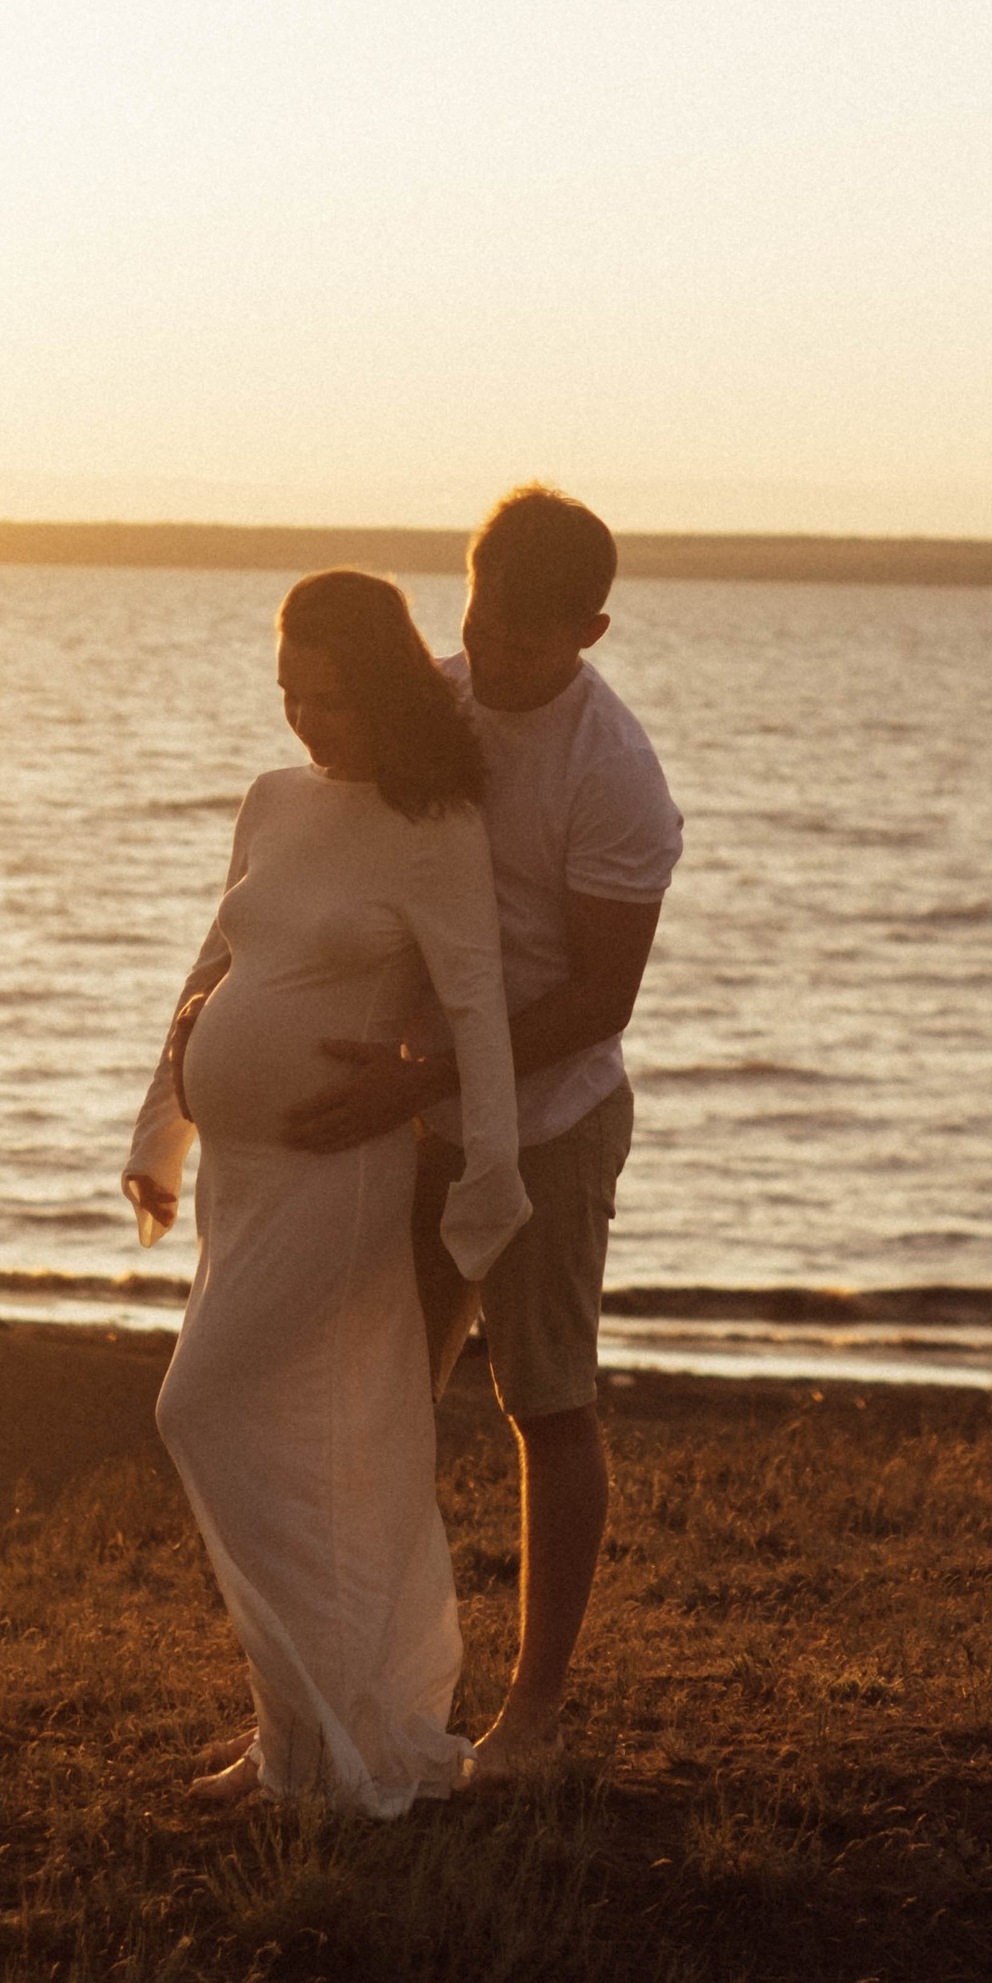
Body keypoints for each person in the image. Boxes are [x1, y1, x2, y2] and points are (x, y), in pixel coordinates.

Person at [282, 486, 681, 1776]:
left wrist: (425, 1075)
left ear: (594, 630)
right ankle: (353, 1691)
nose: (494, 657)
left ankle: (534, 1711)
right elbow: (335, 873)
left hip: (551, 1120)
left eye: (528, 640)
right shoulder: (433, 702)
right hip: (418, 1107)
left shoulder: (612, 774)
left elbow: (598, 998)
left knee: (543, 1402)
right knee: (373, 1390)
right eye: (481, 621)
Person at [120, 570, 529, 1816]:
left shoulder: (437, 825)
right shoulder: (272, 801)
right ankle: (289, 1744)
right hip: (238, 1182)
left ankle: (335, 1739)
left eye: (334, 700)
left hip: (336, 1184)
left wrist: (490, 1184)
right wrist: (159, 1130)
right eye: (291, 694)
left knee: (206, 1411)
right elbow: (211, 967)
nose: (307, 723)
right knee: (299, 1457)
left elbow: (477, 1009)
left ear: (392, 690)